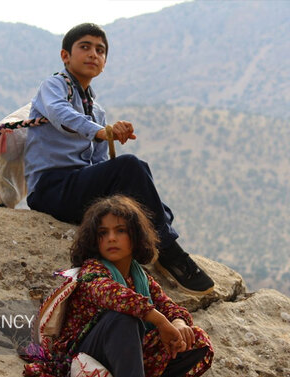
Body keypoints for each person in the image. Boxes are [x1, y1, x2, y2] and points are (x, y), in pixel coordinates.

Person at [21, 22, 214, 295]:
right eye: (85, 47)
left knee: (143, 189)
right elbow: (60, 113)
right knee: (130, 166)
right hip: (51, 189)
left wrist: (107, 135)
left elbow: (99, 165)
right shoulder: (54, 86)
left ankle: (157, 240)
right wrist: (101, 132)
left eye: (100, 50)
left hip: (77, 189)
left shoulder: (96, 109)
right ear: (66, 56)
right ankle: (169, 252)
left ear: (105, 62)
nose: (93, 55)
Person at [21, 195, 213, 377]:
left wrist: (178, 323)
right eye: (103, 233)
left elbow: (170, 307)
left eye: (120, 231)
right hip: (85, 353)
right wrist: (159, 320)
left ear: (136, 236)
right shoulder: (92, 270)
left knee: (194, 339)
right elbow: (116, 297)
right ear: (94, 239)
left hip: (126, 354)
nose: (111, 238)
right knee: (124, 316)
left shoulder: (141, 277)